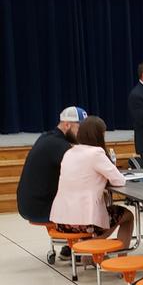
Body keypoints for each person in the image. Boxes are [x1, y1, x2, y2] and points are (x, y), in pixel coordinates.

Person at [49, 116, 133, 248]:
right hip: (84, 222)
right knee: (127, 215)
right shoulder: (96, 153)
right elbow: (119, 180)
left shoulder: (69, 152)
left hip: (61, 220)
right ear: (99, 135)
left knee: (106, 206)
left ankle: (89, 249)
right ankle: (107, 252)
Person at [16, 107, 87, 250]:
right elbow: (83, 171)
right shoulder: (58, 145)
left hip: (29, 204)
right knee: (89, 204)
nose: (82, 133)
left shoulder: (48, 138)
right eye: (80, 128)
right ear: (67, 125)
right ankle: (83, 251)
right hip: (39, 207)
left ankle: (70, 248)